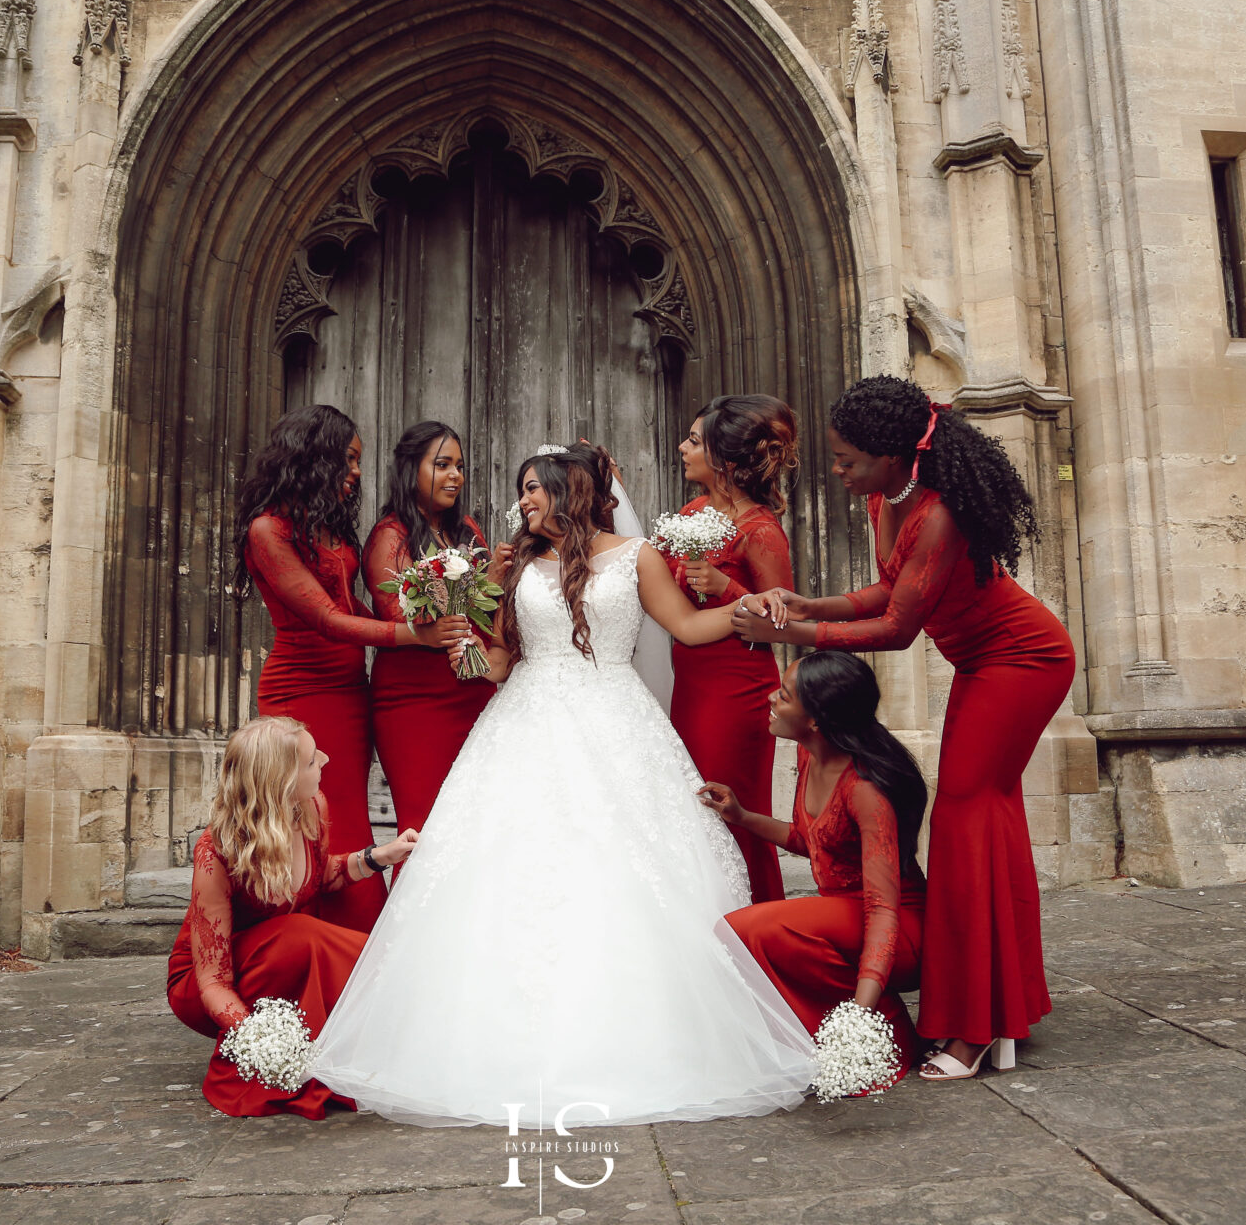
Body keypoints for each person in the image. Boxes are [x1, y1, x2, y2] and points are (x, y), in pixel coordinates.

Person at [308, 444, 814, 1127]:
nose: (523, 503)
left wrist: (756, 605)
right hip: (522, 721)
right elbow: (498, 665)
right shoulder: (518, 567)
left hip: (616, 720)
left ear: (567, 489)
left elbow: (690, 629)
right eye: (520, 492)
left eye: (532, 490)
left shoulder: (636, 558)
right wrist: (463, 649)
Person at [732, 376, 1074, 1080]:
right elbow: (887, 588)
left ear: (893, 455)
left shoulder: (941, 513)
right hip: (982, 661)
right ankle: (998, 1006)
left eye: (848, 459)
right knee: (981, 816)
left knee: (966, 816)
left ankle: (974, 1027)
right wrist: (809, 600)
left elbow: (896, 628)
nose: (836, 470)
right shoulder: (883, 497)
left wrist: (795, 629)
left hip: (1023, 657)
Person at [235, 405, 467, 931]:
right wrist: (415, 634)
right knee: (324, 825)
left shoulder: (326, 526)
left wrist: (411, 614)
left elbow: (351, 607)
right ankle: (345, 951)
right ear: (312, 457)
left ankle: (354, 955)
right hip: (301, 693)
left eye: (358, 460)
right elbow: (325, 618)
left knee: (350, 822)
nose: (357, 471)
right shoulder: (267, 531)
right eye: (349, 458)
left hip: (350, 690)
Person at [165, 717, 420, 1118]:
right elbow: (212, 982)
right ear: (281, 779)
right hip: (209, 984)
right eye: (310, 759)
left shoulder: (311, 808)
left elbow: (319, 879)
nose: (325, 758)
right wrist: (258, 1039)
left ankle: (410, 1010)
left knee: (308, 938)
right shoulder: (215, 851)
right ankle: (405, 1004)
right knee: (305, 935)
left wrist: (379, 857)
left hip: (284, 954)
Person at [701, 652, 929, 1085]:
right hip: (845, 919)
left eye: (784, 696)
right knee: (749, 932)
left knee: (749, 929)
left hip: (899, 931)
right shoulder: (811, 757)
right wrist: (742, 816)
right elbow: (814, 842)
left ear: (816, 720)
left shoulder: (864, 790)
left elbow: (882, 909)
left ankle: (883, 1034)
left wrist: (861, 1014)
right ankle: (829, 1037)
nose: (770, 697)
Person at [664, 395, 798, 904]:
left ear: (726, 460)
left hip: (736, 692)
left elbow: (786, 621)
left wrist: (725, 586)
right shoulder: (694, 513)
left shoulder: (760, 530)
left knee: (728, 810)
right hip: (692, 687)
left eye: (695, 441)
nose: (683, 447)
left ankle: (757, 931)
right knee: (695, 815)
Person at [362, 422, 496, 840]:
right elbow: (393, 611)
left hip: (473, 691)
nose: (456, 475)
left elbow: (487, 607)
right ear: (410, 469)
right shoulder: (390, 536)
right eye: (442, 465)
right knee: (423, 830)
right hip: (414, 701)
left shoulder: (467, 530)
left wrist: (499, 576)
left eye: (459, 466)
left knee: (477, 826)